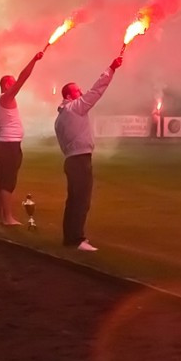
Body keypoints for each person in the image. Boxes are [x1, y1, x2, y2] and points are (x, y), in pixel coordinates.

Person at [53, 56, 123, 252]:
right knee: (81, 201)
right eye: (77, 91)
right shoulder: (75, 108)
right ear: (69, 95)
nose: (81, 92)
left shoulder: (60, 117)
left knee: (73, 201)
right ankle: (77, 239)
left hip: (70, 160)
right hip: (80, 160)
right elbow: (96, 91)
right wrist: (111, 69)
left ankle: (70, 238)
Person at [0, 51, 44, 225]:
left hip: (3, 144)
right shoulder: (6, 97)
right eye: (12, 83)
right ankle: (8, 218)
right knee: (8, 182)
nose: (15, 85)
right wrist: (34, 60)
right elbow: (23, 78)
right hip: (9, 145)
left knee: (0, 182)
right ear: (7, 85)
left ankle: (0, 216)